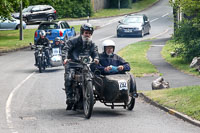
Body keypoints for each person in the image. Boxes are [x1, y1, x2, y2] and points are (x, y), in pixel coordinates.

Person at [62, 23, 99, 106]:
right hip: (72, 64)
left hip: (84, 65)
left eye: (89, 33)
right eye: (86, 33)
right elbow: (66, 49)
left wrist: (96, 58)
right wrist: (65, 58)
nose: (88, 35)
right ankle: (69, 97)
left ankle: (89, 94)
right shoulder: (73, 41)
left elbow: (95, 52)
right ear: (82, 32)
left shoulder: (91, 43)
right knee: (69, 77)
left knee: (92, 77)